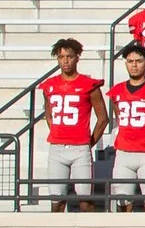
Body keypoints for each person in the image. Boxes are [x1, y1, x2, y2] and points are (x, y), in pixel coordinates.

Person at [37, 36, 107, 208]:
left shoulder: (89, 84)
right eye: (61, 57)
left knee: (85, 201)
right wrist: (56, 131)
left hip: (80, 147)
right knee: (56, 201)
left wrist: (90, 141)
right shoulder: (50, 85)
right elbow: (49, 113)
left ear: (77, 57)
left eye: (69, 56)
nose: (65, 61)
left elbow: (103, 118)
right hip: (57, 148)